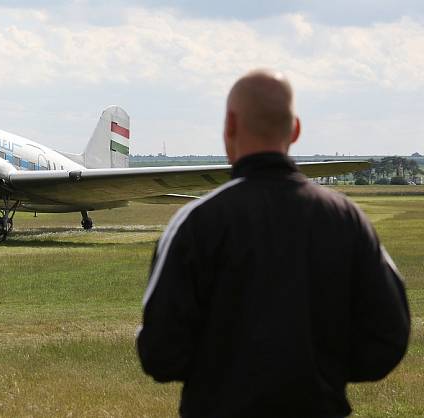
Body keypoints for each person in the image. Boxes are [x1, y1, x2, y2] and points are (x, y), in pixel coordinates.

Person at [136, 69, 410, 418]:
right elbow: (388, 337)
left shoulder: (194, 223)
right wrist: (323, 372)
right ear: (295, 129)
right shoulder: (348, 220)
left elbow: (159, 353)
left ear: (230, 126)